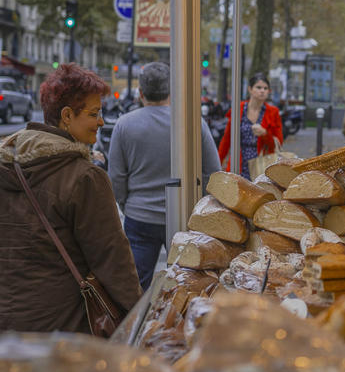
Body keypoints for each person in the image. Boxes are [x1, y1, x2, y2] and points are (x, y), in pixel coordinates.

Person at [0, 63, 142, 333]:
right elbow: (113, 261)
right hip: (62, 327)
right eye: (93, 113)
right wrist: (138, 317)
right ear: (67, 115)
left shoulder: (6, 167)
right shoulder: (85, 178)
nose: (101, 121)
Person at [108, 62, 221, 291]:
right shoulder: (192, 122)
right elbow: (213, 171)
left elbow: (116, 178)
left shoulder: (124, 125)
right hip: (184, 215)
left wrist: (126, 204)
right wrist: (198, 203)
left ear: (140, 93)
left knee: (135, 287)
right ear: (172, 91)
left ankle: (136, 326)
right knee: (186, 285)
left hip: (139, 216)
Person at [218, 73, 284, 180]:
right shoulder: (238, 109)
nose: (262, 91)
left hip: (261, 167)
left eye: (265, 88)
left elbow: (278, 143)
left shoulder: (273, 112)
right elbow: (226, 140)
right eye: (258, 87)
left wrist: (264, 134)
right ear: (250, 89)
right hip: (238, 165)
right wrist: (218, 163)